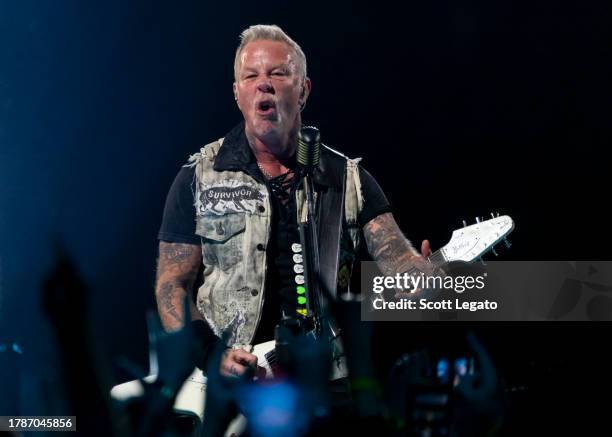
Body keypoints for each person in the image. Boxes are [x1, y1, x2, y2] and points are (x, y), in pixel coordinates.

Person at [155, 24, 433, 379]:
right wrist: (211, 354)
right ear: (237, 93)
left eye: (278, 73)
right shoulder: (198, 177)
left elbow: (398, 259)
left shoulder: (347, 180)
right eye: (250, 75)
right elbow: (171, 284)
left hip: (325, 376)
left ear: (303, 90)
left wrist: (419, 278)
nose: (263, 83)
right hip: (227, 382)